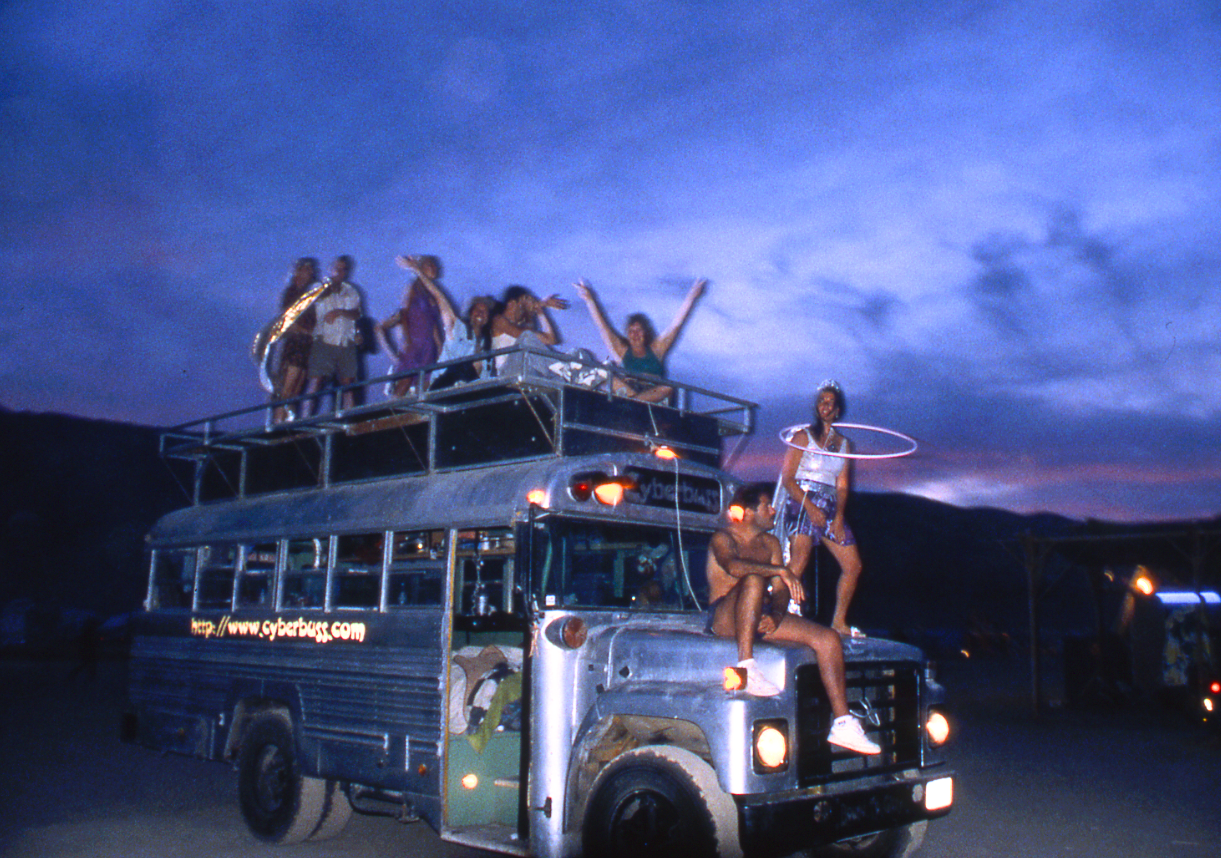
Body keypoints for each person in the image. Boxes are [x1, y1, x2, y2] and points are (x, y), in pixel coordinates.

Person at [706, 483, 879, 754]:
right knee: (753, 579)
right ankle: (747, 666)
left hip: (758, 614)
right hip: (725, 618)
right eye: (767, 506)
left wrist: (776, 615)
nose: (773, 510)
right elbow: (733, 566)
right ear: (749, 512)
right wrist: (780, 571)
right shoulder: (724, 538)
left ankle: (843, 722)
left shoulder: (771, 543)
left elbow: (780, 590)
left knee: (827, 638)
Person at [778, 380, 862, 636]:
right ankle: (776, 613)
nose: (825, 406)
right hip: (802, 498)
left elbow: (842, 486)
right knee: (799, 558)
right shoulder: (802, 437)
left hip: (830, 504)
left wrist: (838, 517)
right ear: (817, 407)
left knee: (853, 566)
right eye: (821, 401)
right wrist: (810, 507)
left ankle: (838, 622)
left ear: (837, 410)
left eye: (830, 402)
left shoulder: (844, 444)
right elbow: (788, 479)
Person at [574, 278, 705, 401]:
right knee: (607, 375)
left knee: (668, 388)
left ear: (646, 333)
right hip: (628, 391)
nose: (635, 334)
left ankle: (634, 402)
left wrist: (691, 297)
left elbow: (675, 326)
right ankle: (633, 401)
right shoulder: (622, 351)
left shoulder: (657, 350)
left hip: (652, 395)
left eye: (639, 330)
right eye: (631, 331)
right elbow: (604, 328)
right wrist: (590, 300)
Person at [395, 255, 493, 389]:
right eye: (477, 310)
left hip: (471, 392)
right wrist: (417, 270)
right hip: (445, 386)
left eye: (485, 311)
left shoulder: (486, 344)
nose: (481, 313)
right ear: (470, 313)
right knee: (461, 367)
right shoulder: (458, 328)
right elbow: (440, 299)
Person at [378, 255, 444, 396]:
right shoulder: (413, 287)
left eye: (435, 265)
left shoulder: (432, 293)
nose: (434, 268)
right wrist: (407, 340)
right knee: (405, 381)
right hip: (414, 342)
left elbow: (433, 322)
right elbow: (404, 313)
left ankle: (419, 410)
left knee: (425, 384)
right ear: (420, 267)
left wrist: (439, 346)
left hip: (428, 345)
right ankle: (392, 408)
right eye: (429, 265)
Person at [305, 255, 364, 413]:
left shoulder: (351, 291)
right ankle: (306, 420)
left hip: (345, 341)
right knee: (316, 382)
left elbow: (356, 313)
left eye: (343, 270)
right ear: (330, 269)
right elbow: (308, 307)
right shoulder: (318, 287)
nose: (339, 272)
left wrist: (340, 313)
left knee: (348, 385)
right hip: (324, 340)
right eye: (337, 269)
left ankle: (350, 420)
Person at [272, 257, 319, 422]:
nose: (310, 273)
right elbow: (287, 319)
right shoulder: (292, 293)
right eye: (307, 269)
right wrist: (305, 331)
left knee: (297, 389)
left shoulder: (310, 295)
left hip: (307, 345)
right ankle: (278, 423)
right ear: (298, 271)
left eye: (311, 270)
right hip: (295, 343)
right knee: (287, 388)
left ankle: (287, 424)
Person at [489, 285, 569, 376]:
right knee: (527, 337)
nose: (527, 305)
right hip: (506, 372)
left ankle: (567, 373)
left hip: (525, 369)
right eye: (525, 299)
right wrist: (533, 311)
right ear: (512, 303)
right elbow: (524, 335)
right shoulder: (498, 320)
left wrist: (539, 311)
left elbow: (550, 340)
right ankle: (562, 369)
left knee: (539, 360)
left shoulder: (522, 326)